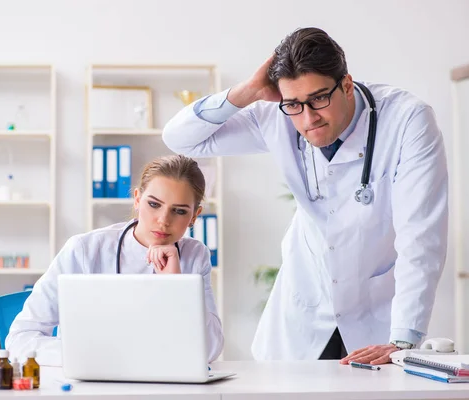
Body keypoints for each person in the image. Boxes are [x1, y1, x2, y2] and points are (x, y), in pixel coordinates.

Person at [163, 27, 448, 365]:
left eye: (318, 99)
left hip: (379, 323)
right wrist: (247, 91)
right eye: (294, 105)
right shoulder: (275, 115)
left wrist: (404, 338)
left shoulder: (407, 120)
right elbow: (180, 139)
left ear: (345, 84)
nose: (308, 118)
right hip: (302, 316)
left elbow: (421, 236)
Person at [6, 155, 224, 366]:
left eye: (179, 211)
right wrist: (90, 355)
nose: (163, 220)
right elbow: (20, 339)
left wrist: (176, 287)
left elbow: (211, 349)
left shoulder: (195, 256)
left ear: (194, 216)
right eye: (154, 204)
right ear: (138, 199)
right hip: (90, 383)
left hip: (161, 383)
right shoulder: (84, 250)